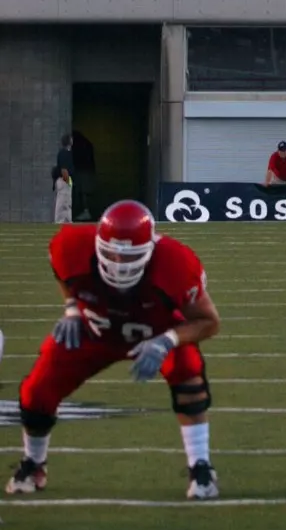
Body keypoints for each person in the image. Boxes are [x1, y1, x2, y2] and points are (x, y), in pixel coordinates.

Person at [6, 201, 221, 500]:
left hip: (154, 332)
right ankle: (33, 463)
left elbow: (209, 321)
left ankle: (201, 466)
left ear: (150, 248)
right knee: (36, 392)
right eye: (111, 252)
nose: (119, 261)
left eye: (130, 255)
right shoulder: (71, 247)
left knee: (188, 372)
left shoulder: (175, 263)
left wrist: (168, 340)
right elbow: (62, 274)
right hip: (96, 331)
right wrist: (71, 309)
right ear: (96, 243)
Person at [52, 134, 74, 224]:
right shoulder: (65, 153)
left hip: (64, 179)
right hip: (64, 179)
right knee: (63, 201)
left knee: (66, 201)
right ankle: (61, 220)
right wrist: (68, 181)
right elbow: (64, 168)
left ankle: (66, 220)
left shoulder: (64, 153)